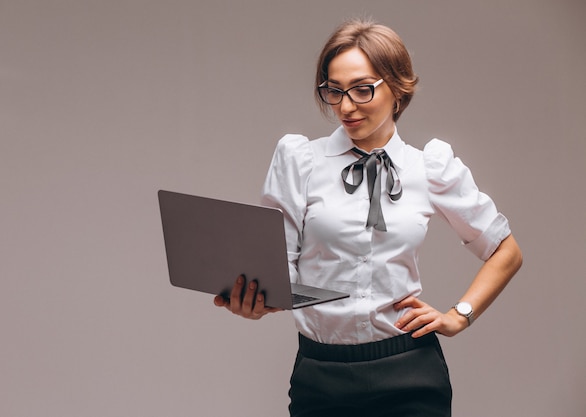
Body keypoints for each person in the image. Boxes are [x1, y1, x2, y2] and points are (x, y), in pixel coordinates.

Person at [214, 18, 522, 417]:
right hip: (320, 377)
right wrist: (257, 299)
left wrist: (458, 316)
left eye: (362, 89)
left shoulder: (429, 166)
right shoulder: (300, 161)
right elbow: (277, 271)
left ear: (397, 88)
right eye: (334, 90)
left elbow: (506, 252)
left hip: (411, 372)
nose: (345, 106)